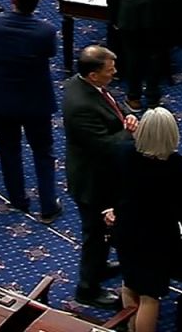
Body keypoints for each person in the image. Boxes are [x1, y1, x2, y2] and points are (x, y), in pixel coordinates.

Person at [108, 108, 182, 332]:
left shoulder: (123, 152)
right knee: (149, 295)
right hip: (157, 238)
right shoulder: (174, 164)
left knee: (129, 282)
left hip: (126, 230)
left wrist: (113, 209)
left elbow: (117, 188)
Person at [63, 45, 136, 308]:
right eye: (110, 69)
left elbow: (112, 105)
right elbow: (107, 146)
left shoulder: (83, 84)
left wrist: (127, 116)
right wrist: (130, 131)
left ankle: (101, 267)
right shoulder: (81, 105)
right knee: (95, 235)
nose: (115, 72)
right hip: (93, 182)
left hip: (100, 173)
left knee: (101, 234)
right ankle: (87, 289)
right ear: (93, 75)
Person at [0, 0, 62, 223]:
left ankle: (18, 199)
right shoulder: (46, 31)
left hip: (2, 98)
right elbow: (50, 54)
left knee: (9, 150)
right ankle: (48, 206)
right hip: (35, 100)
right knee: (43, 152)